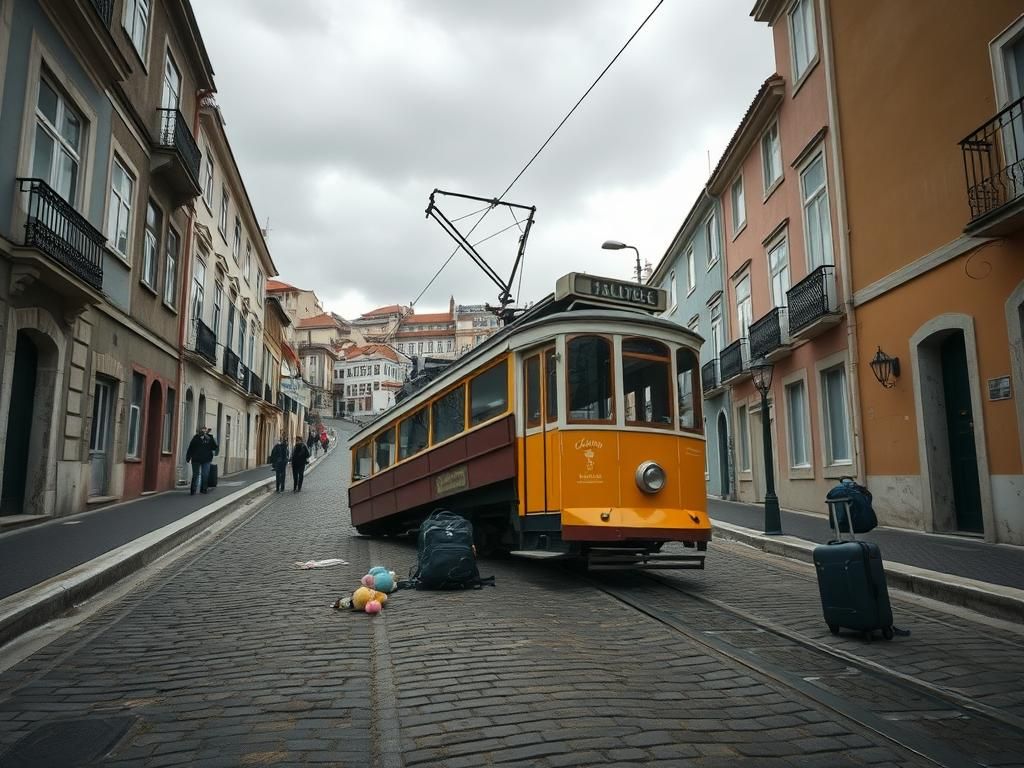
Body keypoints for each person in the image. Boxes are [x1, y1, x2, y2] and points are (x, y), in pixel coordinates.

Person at [185, 426, 218, 495]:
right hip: (196, 459)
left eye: (204, 431)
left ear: (206, 431)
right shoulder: (196, 438)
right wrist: (188, 457)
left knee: (205, 474)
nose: (203, 432)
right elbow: (191, 448)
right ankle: (193, 490)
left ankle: (203, 489)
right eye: (202, 431)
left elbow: (214, 447)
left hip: (206, 459)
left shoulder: (209, 438)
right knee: (195, 475)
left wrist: (209, 439)